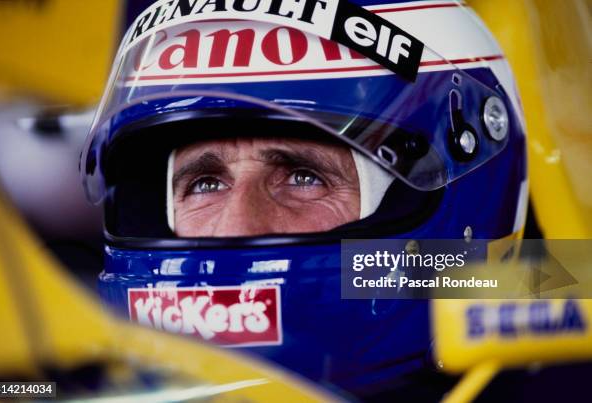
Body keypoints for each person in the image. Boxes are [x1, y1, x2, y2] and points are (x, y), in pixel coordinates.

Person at [81, 0, 527, 399]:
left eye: (303, 177)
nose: (236, 225)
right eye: (205, 184)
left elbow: (550, 276)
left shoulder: (560, 309)